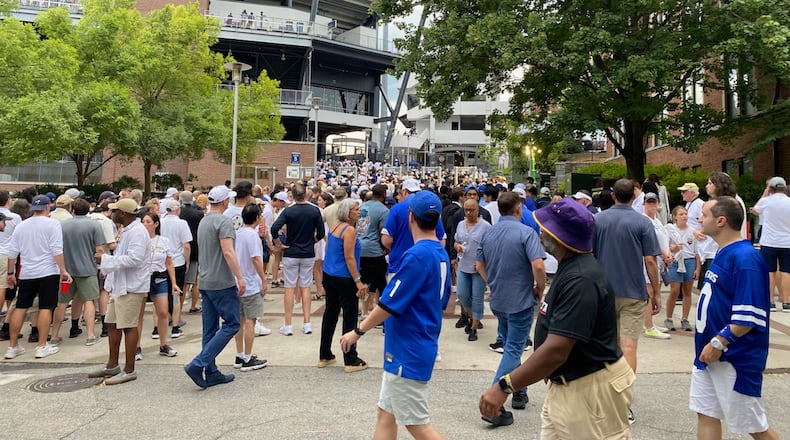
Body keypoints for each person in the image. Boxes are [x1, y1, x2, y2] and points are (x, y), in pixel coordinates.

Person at [479, 198, 634, 438]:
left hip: (590, 390)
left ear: (562, 236)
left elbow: (557, 349)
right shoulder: (571, 267)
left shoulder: (581, 279)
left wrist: (505, 385)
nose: (541, 232)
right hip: (568, 386)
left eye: (546, 227)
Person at [339, 190, 450, 439]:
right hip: (417, 342)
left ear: (410, 217)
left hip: (408, 348)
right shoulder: (439, 254)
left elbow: (388, 304)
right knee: (385, 412)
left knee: (418, 424)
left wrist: (357, 332)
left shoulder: (417, 256)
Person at [691, 196, 779, 440]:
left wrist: (720, 342)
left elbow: (748, 314)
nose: (700, 218)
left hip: (733, 356)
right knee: (705, 412)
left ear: (721, 221)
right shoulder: (723, 252)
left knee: (753, 424)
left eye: (705, 214)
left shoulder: (745, 258)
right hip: (708, 352)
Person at [594, 178, 661, 424]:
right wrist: (655, 291)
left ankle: (602, 398)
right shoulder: (642, 222)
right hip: (633, 292)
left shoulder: (598, 220)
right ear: (635, 197)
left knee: (603, 344)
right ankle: (623, 402)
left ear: (613, 196)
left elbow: (590, 254)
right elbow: (651, 261)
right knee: (629, 347)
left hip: (603, 292)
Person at [476, 191, 546, 426]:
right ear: (518, 210)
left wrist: (491, 281)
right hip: (520, 298)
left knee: (509, 344)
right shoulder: (527, 233)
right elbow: (537, 264)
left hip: (498, 298)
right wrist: (540, 287)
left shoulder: (488, 233)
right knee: (514, 349)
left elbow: (479, 264)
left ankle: (520, 390)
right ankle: (494, 402)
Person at [184, 185, 246, 389]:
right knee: (232, 323)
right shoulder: (223, 222)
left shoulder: (205, 221)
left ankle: (210, 371)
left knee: (209, 328)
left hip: (206, 279)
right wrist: (240, 278)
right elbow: (228, 252)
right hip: (222, 281)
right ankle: (200, 362)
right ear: (225, 202)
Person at [89, 198, 149, 385]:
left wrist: (105, 261)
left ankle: (129, 369)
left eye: (115, 211)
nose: (112, 213)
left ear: (123, 213)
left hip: (131, 286)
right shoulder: (128, 230)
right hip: (121, 285)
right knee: (113, 324)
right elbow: (125, 257)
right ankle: (112, 365)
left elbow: (135, 259)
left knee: (129, 326)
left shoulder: (137, 232)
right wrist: (108, 268)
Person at [4, 195, 71, 360]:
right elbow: (57, 249)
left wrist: (11, 273)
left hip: (27, 272)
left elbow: (12, 252)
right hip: (48, 271)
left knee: (21, 307)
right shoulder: (53, 224)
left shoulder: (22, 226)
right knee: (45, 307)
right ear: (48, 207)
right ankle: (41, 345)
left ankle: (13, 346)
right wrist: (63, 269)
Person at [319, 199, 368, 372]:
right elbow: (349, 258)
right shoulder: (349, 231)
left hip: (329, 273)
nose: (359, 212)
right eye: (356, 210)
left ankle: (324, 353)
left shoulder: (334, 226)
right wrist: (358, 281)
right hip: (344, 277)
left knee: (330, 313)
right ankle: (350, 358)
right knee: (349, 316)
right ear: (348, 213)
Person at [270, 183, 325, 336]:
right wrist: (313, 240)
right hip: (307, 252)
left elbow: (274, 228)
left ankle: (288, 324)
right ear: (306, 195)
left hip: (291, 251)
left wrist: (279, 243)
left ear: (292, 196)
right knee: (306, 286)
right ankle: (307, 322)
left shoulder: (288, 211)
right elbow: (321, 232)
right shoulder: (314, 211)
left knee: (289, 287)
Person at [51, 199, 105, 346]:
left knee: (62, 302)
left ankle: (54, 335)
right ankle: (90, 335)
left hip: (66, 271)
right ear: (88, 210)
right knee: (89, 300)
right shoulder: (94, 225)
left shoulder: (63, 225)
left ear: (72, 210)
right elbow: (100, 250)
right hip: (87, 270)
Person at [232, 204, 268, 372]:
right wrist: (263, 278)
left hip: (237, 281)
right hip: (250, 282)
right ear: (256, 218)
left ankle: (240, 355)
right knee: (250, 320)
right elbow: (255, 259)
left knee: (239, 320)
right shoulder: (252, 236)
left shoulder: (237, 233)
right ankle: (247, 357)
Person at [138, 212, 180, 358]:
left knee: (163, 312)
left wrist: (174, 283)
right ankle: (136, 346)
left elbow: (169, 262)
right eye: (143, 221)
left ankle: (163, 344)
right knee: (139, 314)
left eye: (148, 222)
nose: (145, 224)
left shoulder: (163, 241)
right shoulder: (138, 240)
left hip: (159, 277)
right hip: (142, 278)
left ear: (156, 224)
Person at [454, 198, 491, 341]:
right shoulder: (460, 225)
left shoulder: (485, 226)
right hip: (463, 265)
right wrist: (456, 246)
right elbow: (456, 240)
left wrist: (483, 261)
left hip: (478, 268)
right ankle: (472, 315)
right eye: (466, 210)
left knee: (477, 298)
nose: (469, 213)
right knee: (462, 294)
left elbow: (490, 246)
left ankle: (474, 327)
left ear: (478, 210)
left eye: (472, 210)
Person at [751, 177, 790, 312]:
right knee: (786, 271)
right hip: (787, 242)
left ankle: (770, 302)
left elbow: (755, 210)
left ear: (771, 188)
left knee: (769, 271)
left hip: (769, 242)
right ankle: (786, 302)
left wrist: (765, 193)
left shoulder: (766, 201)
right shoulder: (789, 202)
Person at [642, 192, 673, 340]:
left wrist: (669, 254)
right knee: (649, 292)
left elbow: (664, 240)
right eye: (649, 202)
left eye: (654, 202)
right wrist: (663, 254)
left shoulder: (658, 221)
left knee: (656, 289)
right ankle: (649, 326)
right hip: (650, 259)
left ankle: (650, 322)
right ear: (644, 204)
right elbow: (650, 243)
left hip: (661, 261)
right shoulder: (644, 220)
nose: (652, 205)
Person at [356, 184, 389, 319]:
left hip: (359, 248)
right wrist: (385, 249)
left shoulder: (362, 206)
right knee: (381, 284)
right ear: (384, 195)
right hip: (374, 250)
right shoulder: (383, 210)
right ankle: (381, 315)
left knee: (362, 282)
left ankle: (361, 310)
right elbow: (383, 231)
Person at [664, 206, 700, 331]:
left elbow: (696, 252)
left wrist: (697, 268)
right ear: (675, 216)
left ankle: (685, 318)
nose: (684, 216)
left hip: (689, 261)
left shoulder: (692, 231)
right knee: (675, 290)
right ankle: (668, 317)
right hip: (675, 260)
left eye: (685, 214)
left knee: (687, 290)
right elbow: (664, 246)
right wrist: (672, 249)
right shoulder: (670, 230)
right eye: (681, 214)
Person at [0, 191, 23, 341]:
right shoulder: (15, 217)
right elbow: (20, 237)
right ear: (8, 200)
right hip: (5, 254)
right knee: (2, 288)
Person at [178, 191, 203, 315]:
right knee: (195, 280)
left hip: (179, 250)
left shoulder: (178, 213)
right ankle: (193, 306)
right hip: (195, 249)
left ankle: (179, 308)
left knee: (181, 282)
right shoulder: (198, 214)